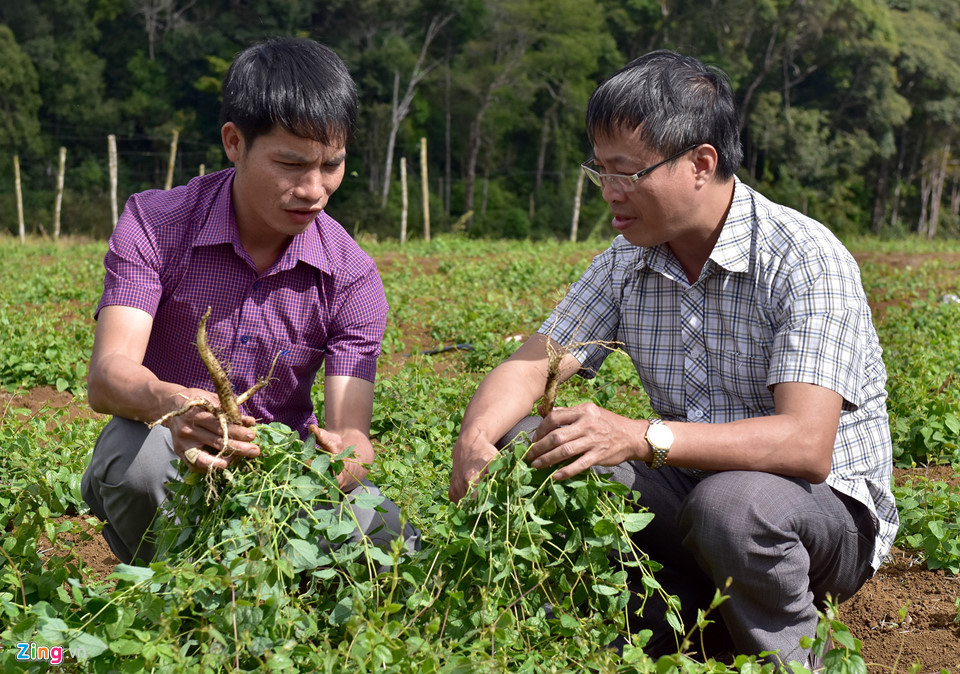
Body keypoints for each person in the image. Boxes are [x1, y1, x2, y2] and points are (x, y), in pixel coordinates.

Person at [449, 50, 897, 670]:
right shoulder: (628, 258)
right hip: (696, 499)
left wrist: (637, 435)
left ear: (700, 163)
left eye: (627, 172)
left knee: (732, 506)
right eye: (599, 170)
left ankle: (790, 656)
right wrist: (474, 440)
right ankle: (669, 620)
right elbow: (535, 364)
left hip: (818, 516)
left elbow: (806, 445)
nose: (610, 192)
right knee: (538, 443)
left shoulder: (803, 259)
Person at [82, 36, 419, 565]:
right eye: (290, 164)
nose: (314, 189)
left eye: (332, 165)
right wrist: (175, 405)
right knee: (139, 464)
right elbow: (107, 376)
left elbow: (351, 432)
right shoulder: (156, 225)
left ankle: (278, 606)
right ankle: (170, 595)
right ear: (234, 142)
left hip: (278, 479)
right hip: (172, 455)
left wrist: (344, 459)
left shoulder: (351, 276)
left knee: (389, 535)